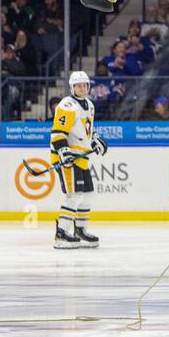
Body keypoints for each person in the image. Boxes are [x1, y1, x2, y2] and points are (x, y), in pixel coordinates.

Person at [50, 70, 108, 250]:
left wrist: (95, 141)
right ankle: (61, 233)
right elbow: (58, 132)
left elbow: (87, 131)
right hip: (68, 158)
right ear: (72, 87)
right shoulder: (67, 105)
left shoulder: (90, 105)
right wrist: (64, 151)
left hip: (81, 158)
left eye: (84, 85)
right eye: (78, 85)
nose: (82, 88)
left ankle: (80, 230)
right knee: (73, 195)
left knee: (88, 194)